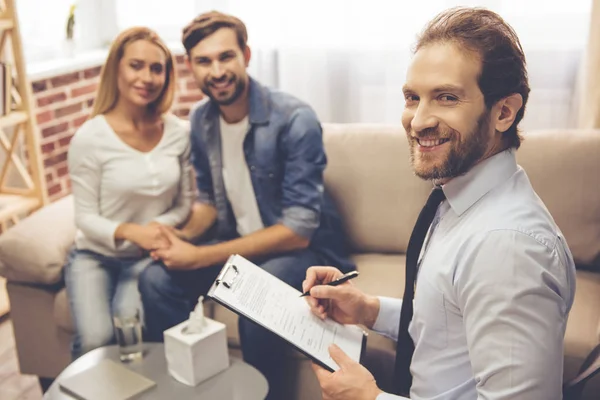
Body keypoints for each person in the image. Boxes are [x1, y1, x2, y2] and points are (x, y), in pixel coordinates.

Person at [302, 7, 576, 400]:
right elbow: (448, 324)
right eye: (413, 98)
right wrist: (368, 309)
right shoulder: (459, 196)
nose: (418, 121)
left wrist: (369, 398)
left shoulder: (508, 248)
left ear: (504, 112)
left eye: (446, 97)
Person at [137, 11, 354, 399]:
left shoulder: (294, 119)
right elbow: (209, 204)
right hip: (239, 247)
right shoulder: (202, 119)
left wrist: (199, 257)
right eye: (204, 61)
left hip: (306, 252)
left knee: (256, 298)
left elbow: (298, 230)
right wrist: (179, 237)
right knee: (154, 279)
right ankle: (181, 390)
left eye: (226, 57)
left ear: (246, 55)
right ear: (191, 67)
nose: (217, 71)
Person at [65, 27, 194, 359]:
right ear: (116, 69)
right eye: (136, 65)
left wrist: (156, 228)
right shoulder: (90, 138)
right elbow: (85, 217)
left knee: (131, 334)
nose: (147, 77)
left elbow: (184, 203)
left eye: (156, 68)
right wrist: (130, 231)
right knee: (96, 339)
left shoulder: (178, 133)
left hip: (146, 260)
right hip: (94, 256)